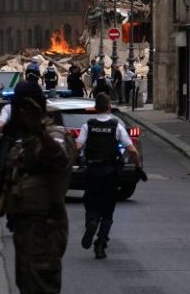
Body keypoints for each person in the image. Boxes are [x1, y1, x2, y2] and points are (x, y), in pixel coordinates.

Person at [3, 81, 76, 293]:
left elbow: (59, 159)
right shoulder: (23, 142)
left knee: (43, 287)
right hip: (24, 230)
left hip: (45, 229)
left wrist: (40, 130)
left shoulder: (53, 136)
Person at [75, 93, 143, 259]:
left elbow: (77, 146)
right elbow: (132, 150)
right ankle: (100, 245)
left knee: (90, 203)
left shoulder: (88, 126)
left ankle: (91, 221)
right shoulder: (116, 126)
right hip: (110, 173)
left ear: (95, 109)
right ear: (109, 108)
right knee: (107, 212)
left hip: (92, 171)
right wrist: (138, 166)